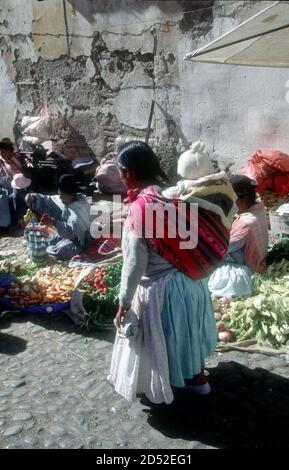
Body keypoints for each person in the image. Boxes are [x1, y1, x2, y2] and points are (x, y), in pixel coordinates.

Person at [108, 141, 223, 405]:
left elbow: (134, 264)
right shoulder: (175, 197)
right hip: (192, 284)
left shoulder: (141, 208)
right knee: (188, 335)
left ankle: (164, 383)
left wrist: (124, 303)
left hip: (164, 290)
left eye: (119, 171)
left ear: (127, 172)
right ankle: (197, 379)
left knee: (168, 340)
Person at [208, 175, 269, 297]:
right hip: (261, 258)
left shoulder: (246, 222)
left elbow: (224, 248)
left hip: (250, 266)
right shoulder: (259, 209)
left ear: (241, 200)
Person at [25, 174, 91, 260]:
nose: (59, 197)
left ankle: (49, 251)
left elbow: (72, 233)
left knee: (64, 250)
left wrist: (54, 223)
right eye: (59, 193)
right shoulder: (63, 199)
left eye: (62, 195)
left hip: (79, 240)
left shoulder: (81, 207)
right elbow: (47, 199)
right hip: (62, 234)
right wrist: (33, 198)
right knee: (48, 241)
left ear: (71, 194)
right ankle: (46, 248)